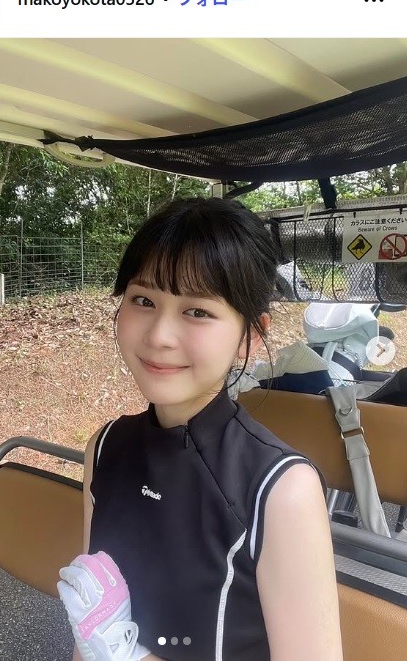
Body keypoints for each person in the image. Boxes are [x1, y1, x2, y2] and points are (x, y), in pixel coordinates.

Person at [59, 196, 343, 661]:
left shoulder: (281, 488)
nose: (158, 336)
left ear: (250, 335)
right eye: (143, 300)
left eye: (197, 311)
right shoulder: (106, 447)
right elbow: (89, 628)